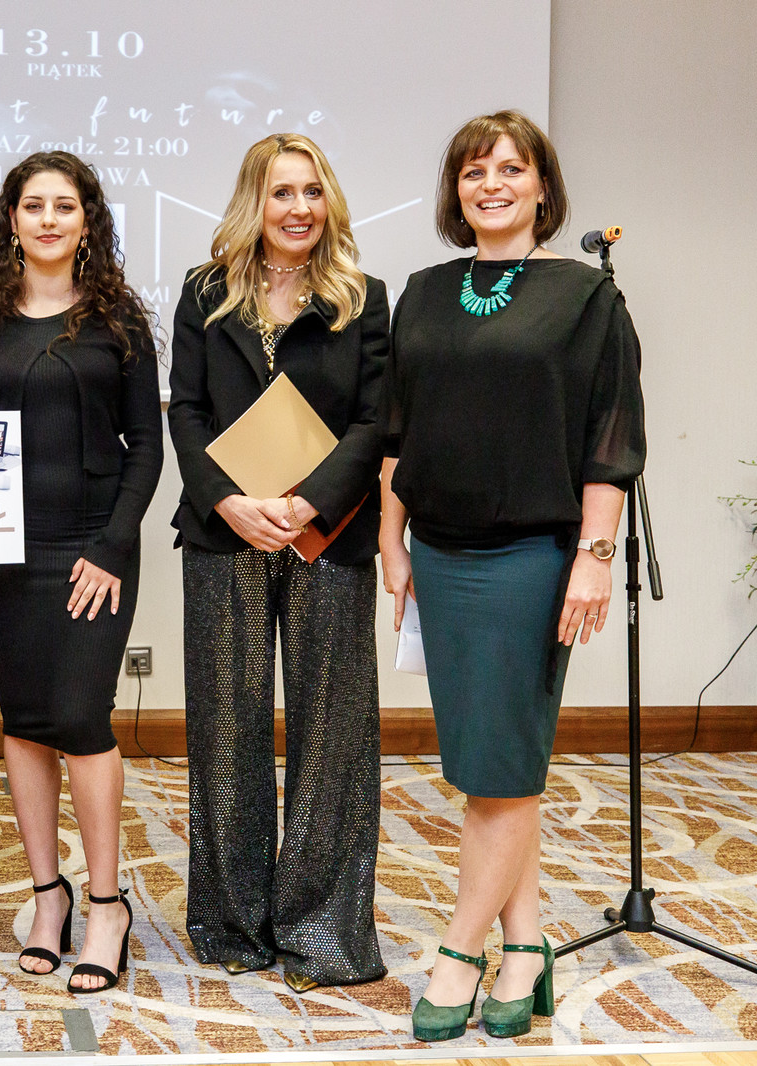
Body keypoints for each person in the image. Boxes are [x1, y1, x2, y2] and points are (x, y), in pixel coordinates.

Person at [380, 110, 646, 1041]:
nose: (491, 185)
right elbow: (398, 430)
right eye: (473, 172)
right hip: (439, 554)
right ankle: (525, 945)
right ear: (456, 192)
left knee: (500, 768)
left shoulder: (584, 298)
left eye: (510, 169)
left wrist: (594, 558)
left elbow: (611, 441)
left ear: (542, 186)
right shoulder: (423, 293)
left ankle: (461, 951)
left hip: (531, 558)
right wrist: (391, 540)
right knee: (494, 764)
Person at [168, 133, 390, 992]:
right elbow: (186, 411)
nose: (299, 208)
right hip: (225, 533)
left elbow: (374, 421)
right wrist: (229, 500)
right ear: (253, 204)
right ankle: (234, 923)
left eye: (312, 191)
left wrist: (309, 504)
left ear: (329, 201)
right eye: (281, 192)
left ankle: (320, 929)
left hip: (327, 535)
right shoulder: (204, 293)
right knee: (227, 729)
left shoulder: (363, 298)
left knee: (333, 735)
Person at [0, 151, 163, 993]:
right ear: (12, 220)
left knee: (80, 716)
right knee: (26, 720)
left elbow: (146, 447)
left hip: (92, 548)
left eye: (63, 206)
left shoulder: (120, 320)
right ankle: (49, 898)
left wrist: (110, 547)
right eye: (32, 205)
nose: (47, 219)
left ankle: (106, 905)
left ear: (86, 221)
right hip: (2, 551)